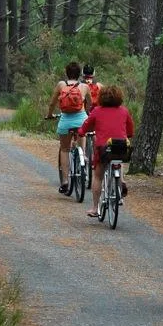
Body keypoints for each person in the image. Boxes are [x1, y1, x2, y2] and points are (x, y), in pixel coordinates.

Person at [78, 85, 134, 218]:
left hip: (104, 149)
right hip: (121, 148)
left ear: (101, 97)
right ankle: (120, 182)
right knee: (118, 161)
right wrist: (128, 135)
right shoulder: (124, 111)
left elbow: (85, 126)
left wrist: (80, 132)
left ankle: (95, 208)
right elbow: (131, 130)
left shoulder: (97, 111)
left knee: (98, 176)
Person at [46, 62, 92, 194]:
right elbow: (90, 103)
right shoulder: (84, 86)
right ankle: (83, 156)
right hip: (81, 119)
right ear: (79, 74)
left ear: (67, 73)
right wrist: (87, 113)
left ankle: (65, 182)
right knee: (81, 136)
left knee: (65, 149)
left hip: (66, 120)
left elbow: (52, 103)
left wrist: (49, 115)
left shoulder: (61, 85)